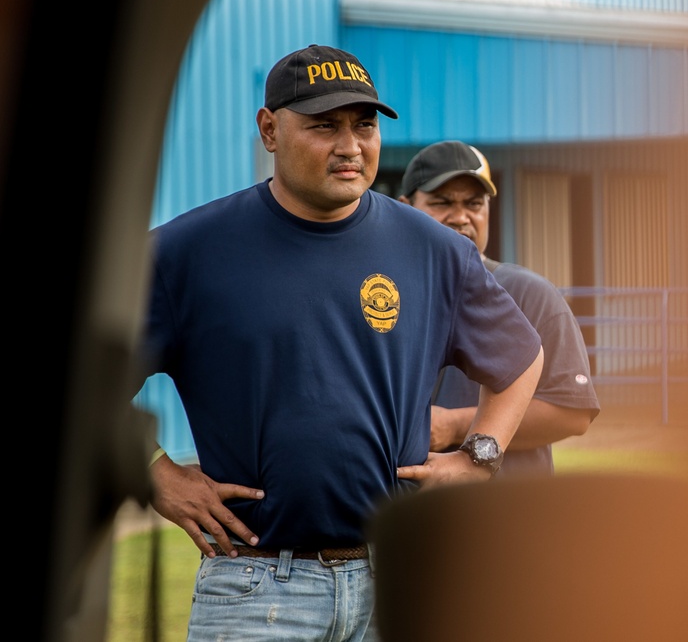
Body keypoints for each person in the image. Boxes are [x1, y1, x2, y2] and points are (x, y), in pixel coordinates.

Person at [139, 45, 544, 642]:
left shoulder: (432, 250)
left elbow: (522, 357)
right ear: (269, 129)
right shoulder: (185, 253)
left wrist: (480, 456)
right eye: (324, 125)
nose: (350, 145)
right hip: (256, 589)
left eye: (364, 124)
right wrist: (153, 472)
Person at [399, 140, 600, 476]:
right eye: (441, 202)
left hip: (509, 518)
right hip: (411, 517)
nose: (461, 216)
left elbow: (572, 413)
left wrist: (453, 425)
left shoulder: (528, 293)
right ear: (405, 207)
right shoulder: (384, 294)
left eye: (474, 204)